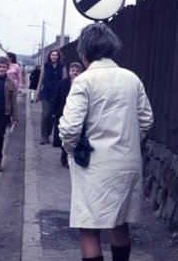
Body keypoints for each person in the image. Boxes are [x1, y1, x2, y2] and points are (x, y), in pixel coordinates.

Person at [59, 22, 154, 261]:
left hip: (95, 168)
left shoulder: (84, 81)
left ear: (84, 53)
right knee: (119, 223)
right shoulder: (132, 78)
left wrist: (74, 151)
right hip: (128, 164)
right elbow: (146, 120)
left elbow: (69, 129)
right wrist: (128, 142)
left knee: (89, 227)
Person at [51, 62, 82, 167]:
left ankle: (71, 157)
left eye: (77, 71)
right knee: (63, 135)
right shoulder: (62, 83)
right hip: (63, 112)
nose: (75, 73)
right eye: (73, 70)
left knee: (74, 135)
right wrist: (53, 111)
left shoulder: (83, 84)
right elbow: (56, 97)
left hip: (77, 113)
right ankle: (64, 153)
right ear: (69, 71)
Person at [36, 48, 63, 145]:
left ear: (58, 57)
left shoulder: (62, 67)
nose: (54, 57)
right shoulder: (45, 66)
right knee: (46, 114)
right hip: (46, 94)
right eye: (52, 55)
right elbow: (40, 81)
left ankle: (48, 134)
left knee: (52, 116)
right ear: (49, 56)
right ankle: (43, 136)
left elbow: (64, 81)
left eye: (56, 55)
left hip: (57, 95)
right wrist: (37, 95)